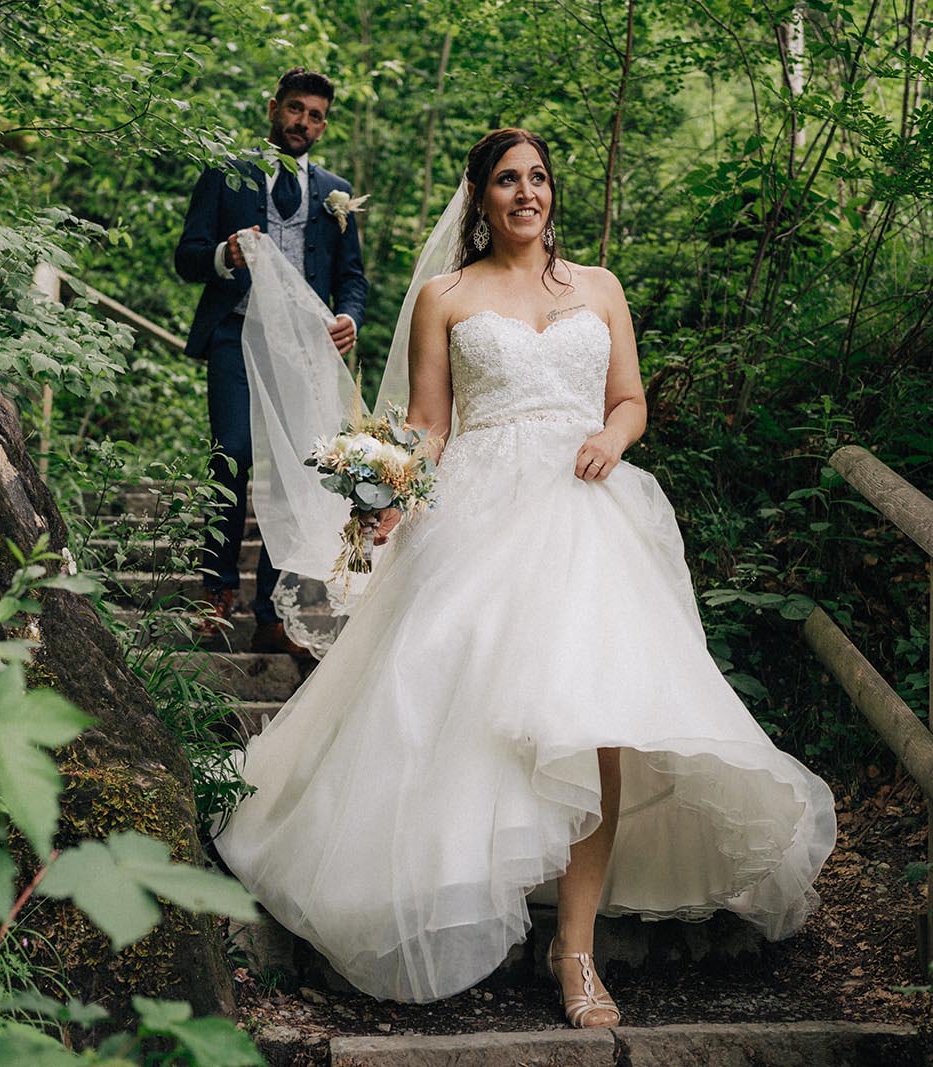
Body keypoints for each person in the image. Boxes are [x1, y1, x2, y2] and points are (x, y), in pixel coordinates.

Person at [214, 129, 835, 1026]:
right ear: (479, 197)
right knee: (460, 703)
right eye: (507, 180)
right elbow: (430, 423)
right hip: (481, 510)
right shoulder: (445, 296)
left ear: (553, 193)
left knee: (600, 719)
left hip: (590, 512)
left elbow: (631, 398)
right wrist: (388, 480)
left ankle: (575, 952)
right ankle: (462, 891)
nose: (525, 193)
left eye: (538, 178)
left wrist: (611, 437)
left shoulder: (599, 288)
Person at [174, 67, 368, 655]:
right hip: (235, 336)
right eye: (294, 109)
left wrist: (349, 319)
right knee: (231, 454)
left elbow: (352, 281)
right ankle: (216, 592)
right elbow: (187, 257)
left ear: (323, 124)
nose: (302, 123)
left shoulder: (336, 193)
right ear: (272, 108)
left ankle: (271, 608)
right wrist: (225, 256)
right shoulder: (225, 173)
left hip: (304, 351)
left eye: (314, 115)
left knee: (295, 474)